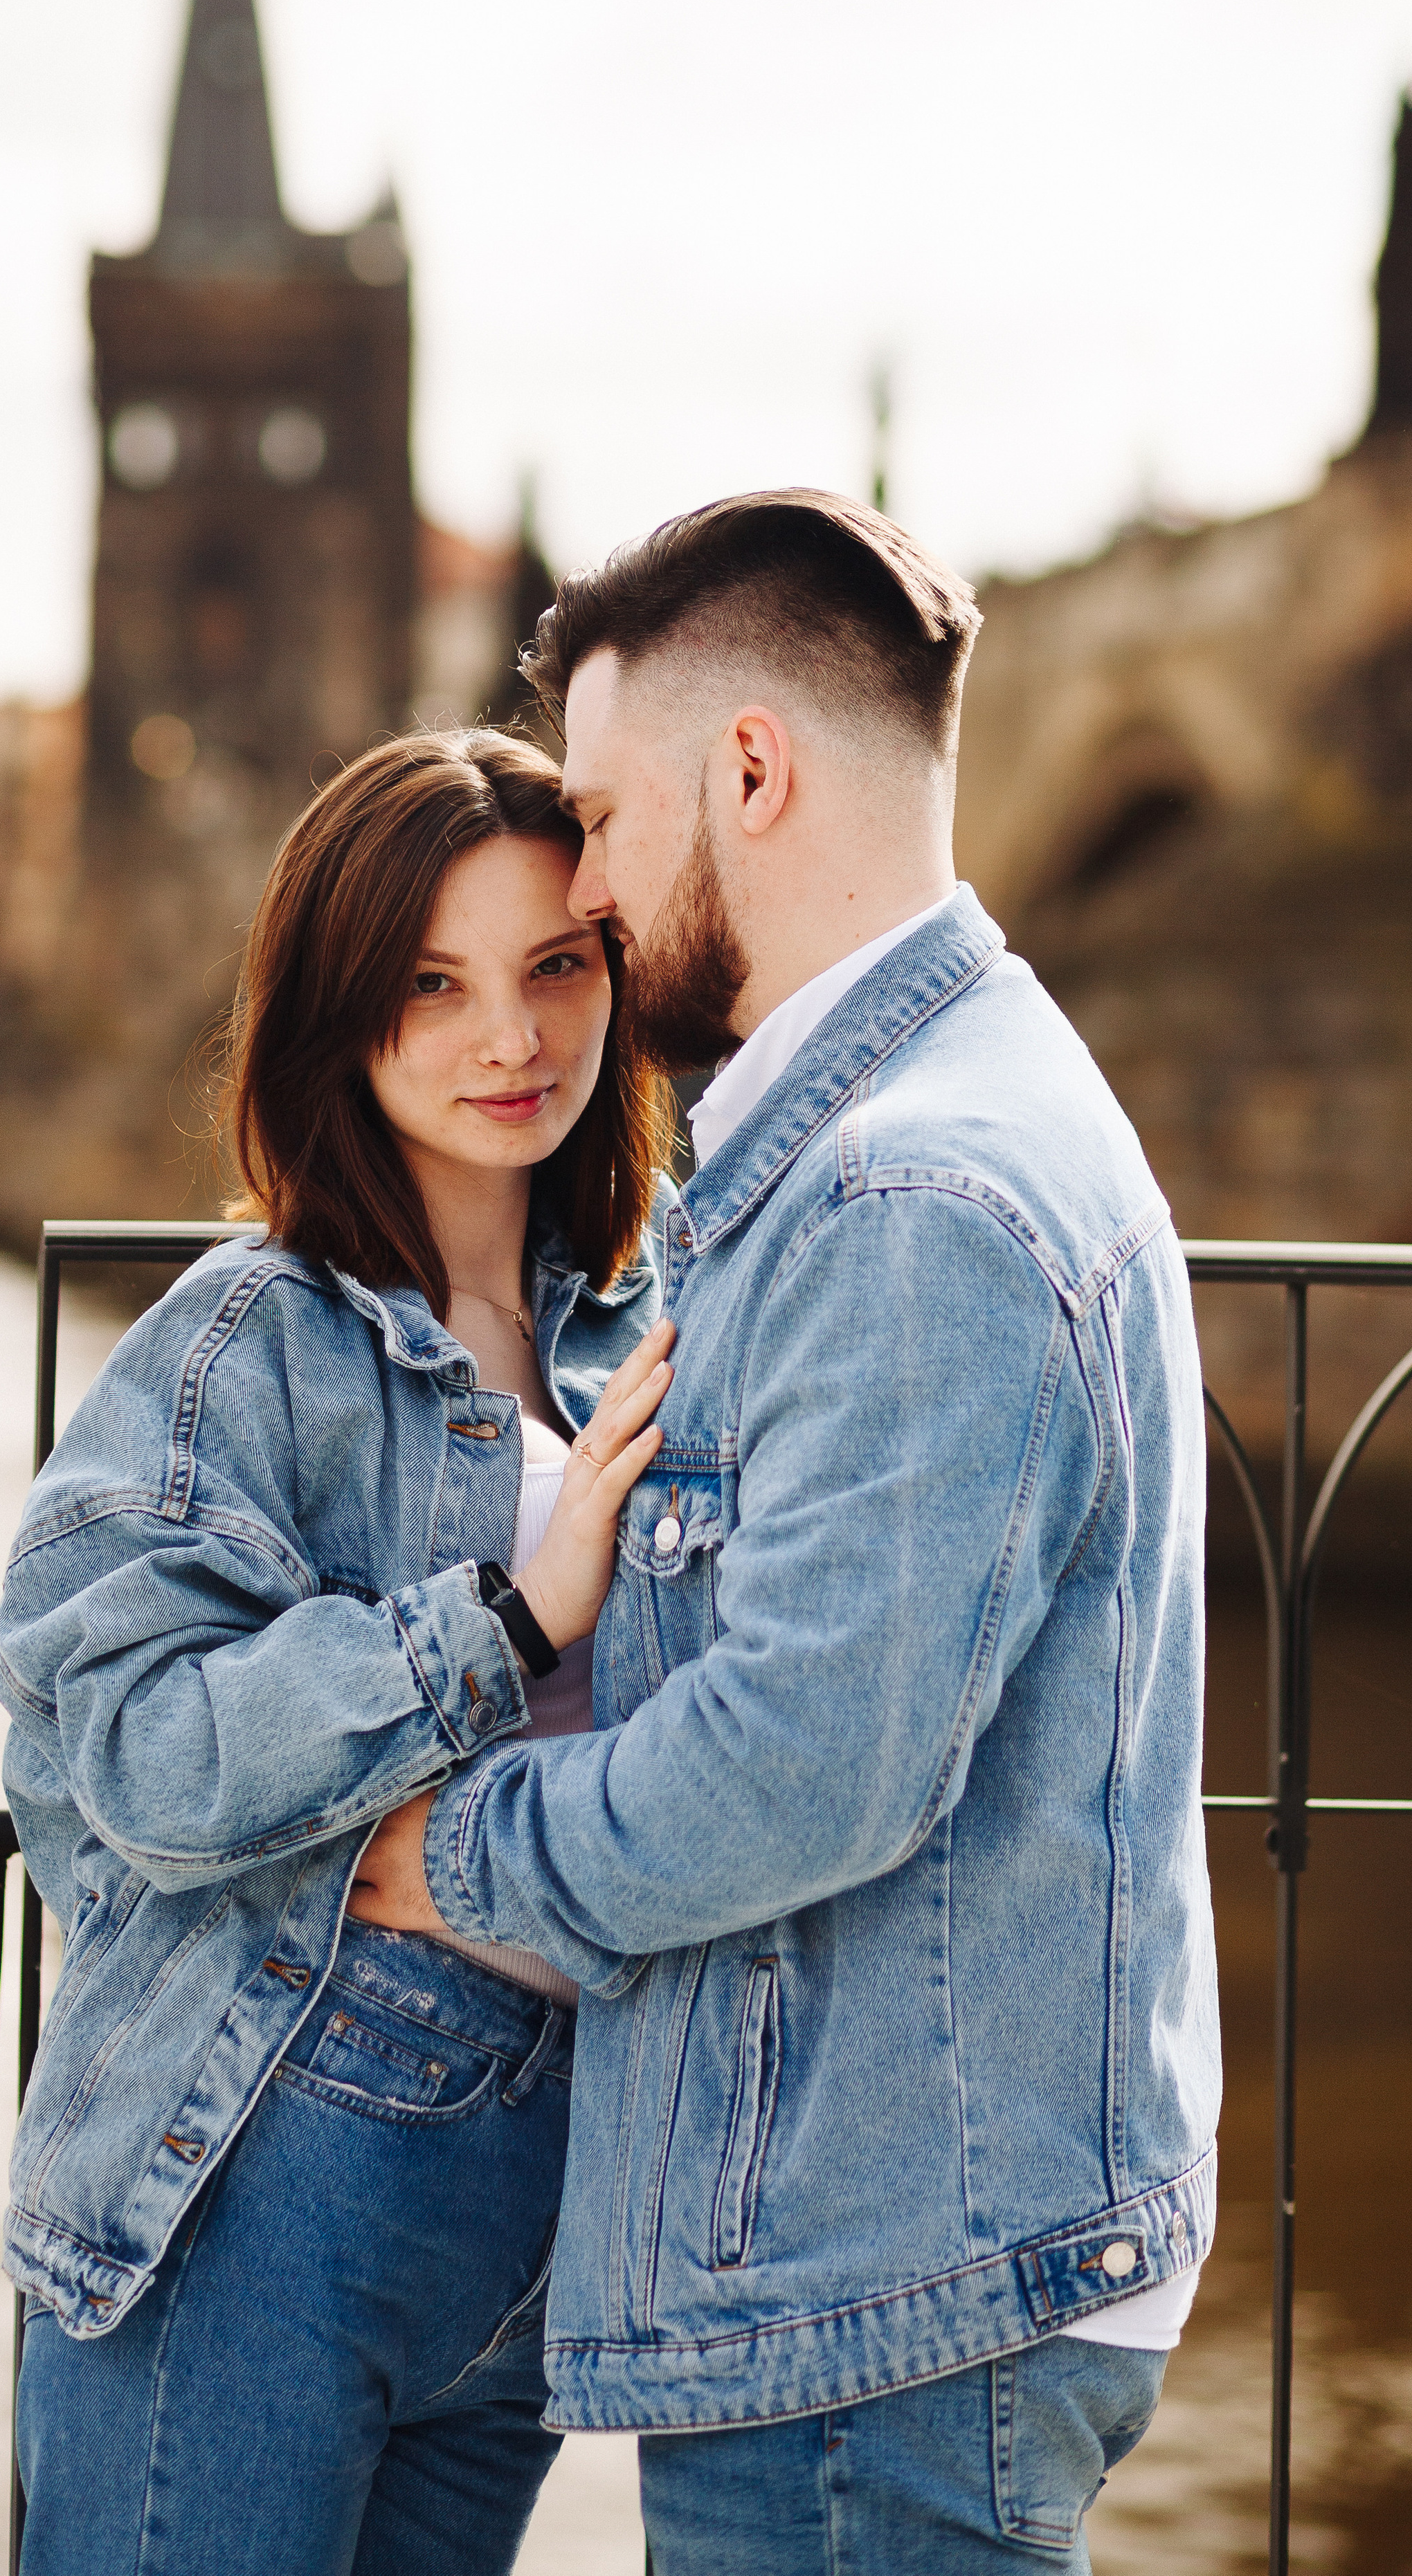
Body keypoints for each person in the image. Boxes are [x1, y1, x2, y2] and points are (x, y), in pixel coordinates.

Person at [352, 491, 1223, 2573]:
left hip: (887, 2275)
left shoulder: (910, 1193)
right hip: (914, 2241)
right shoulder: (922, 1114)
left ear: (748, 773)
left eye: (602, 814)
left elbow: (799, 1766)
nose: (579, 883)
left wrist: (431, 1861)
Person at [0, 727, 681, 2575]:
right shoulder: (249, 1344)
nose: (511, 1040)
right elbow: (128, 1752)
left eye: (555, 967)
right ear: (338, 1017)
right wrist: (508, 1618)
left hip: (541, 2228)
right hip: (264, 2189)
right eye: (433, 987)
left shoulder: (651, 1327)